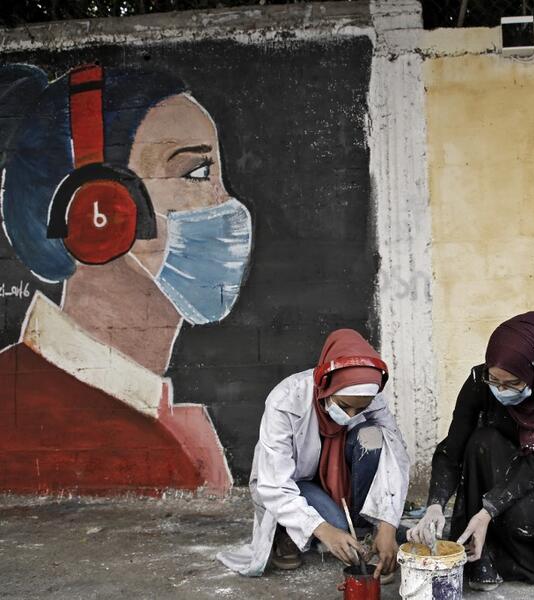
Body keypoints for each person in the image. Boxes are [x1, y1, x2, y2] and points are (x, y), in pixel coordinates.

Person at [0, 64, 251, 494]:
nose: (226, 204)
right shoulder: (31, 419)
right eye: (196, 174)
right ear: (96, 214)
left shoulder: (175, 422)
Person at [409, 312, 534, 592]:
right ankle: (483, 557)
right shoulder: (479, 381)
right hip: (496, 457)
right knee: (481, 440)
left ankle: (510, 545)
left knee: (523, 521)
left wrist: (488, 511)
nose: (501, 390)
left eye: (512, 383)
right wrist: (435, 505)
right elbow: (452, 449)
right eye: (495, 380)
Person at [217, 329, 410, 581]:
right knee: (335, 529)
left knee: (373, 437)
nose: (351, 415)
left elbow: (396, 456)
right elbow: (275, 483)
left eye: (359, 408)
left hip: (343, 478)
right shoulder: (285, 400)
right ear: (325, 385)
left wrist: (387, 524)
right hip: (298, 483)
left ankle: (367, 529)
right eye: (343, 406)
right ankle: (285, 536)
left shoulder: (373, 400)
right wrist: (323, 529)